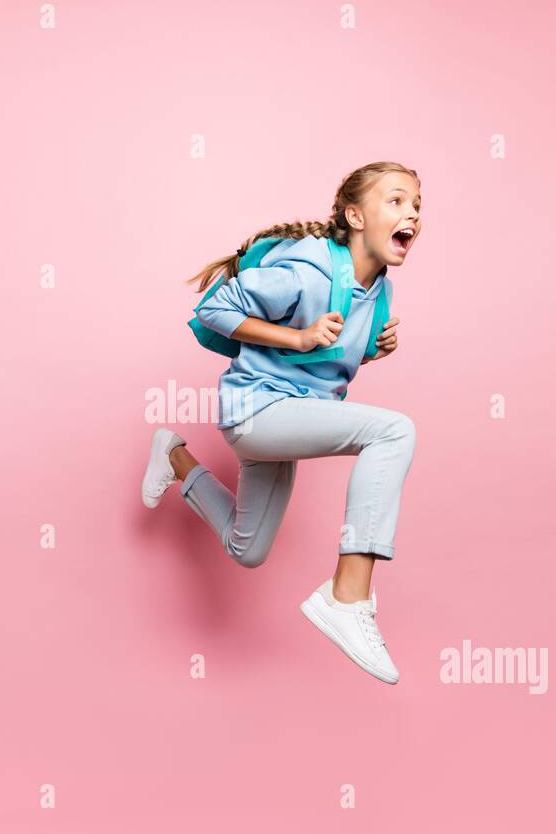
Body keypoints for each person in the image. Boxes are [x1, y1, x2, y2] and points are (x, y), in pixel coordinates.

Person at [141, 162, 421, 684]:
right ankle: (348, 596)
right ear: (355, 216)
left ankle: (174, 454)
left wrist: (370, 351)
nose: (412, 215)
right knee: (394, 430)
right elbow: (214, 310)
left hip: (288, 418)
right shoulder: (308, 267)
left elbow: (329, 361)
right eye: (398, 201)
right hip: (258, 411)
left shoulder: (377, 289)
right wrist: (297, 337)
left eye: (417, 206)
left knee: (247, 550)